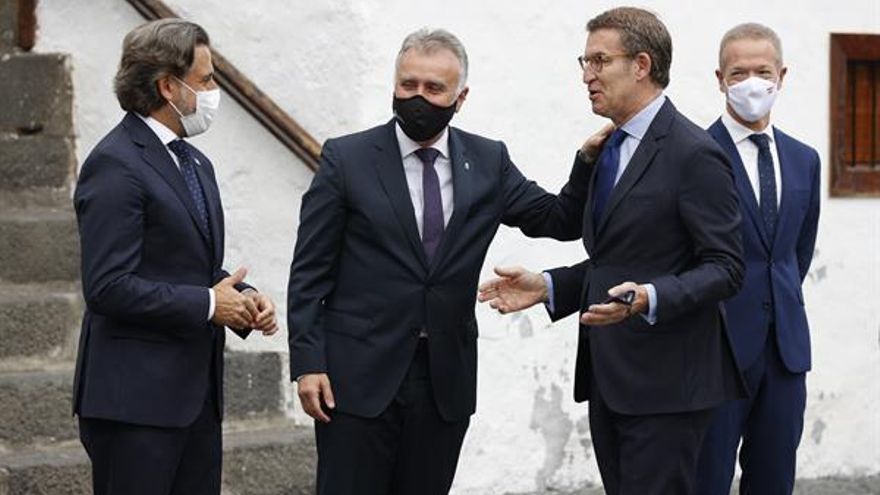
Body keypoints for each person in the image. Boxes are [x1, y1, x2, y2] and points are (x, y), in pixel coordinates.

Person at [287, 27, 611, 495]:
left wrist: (586, 161)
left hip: (443, 381)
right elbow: (309, 272)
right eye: (408, 85)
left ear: (461, 98)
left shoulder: (488, 160)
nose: (418, 97)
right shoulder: (347, 158)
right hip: (356, 378)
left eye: (434, 88)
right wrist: (307, 362)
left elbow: (558, 219)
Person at [477, 7, 746, 494]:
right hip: (610, 378)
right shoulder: (609, 149)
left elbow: (726, 267)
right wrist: (550, 286)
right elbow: (619, 258)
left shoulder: (694, 153)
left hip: (668, 387)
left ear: (641, 65)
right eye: (584, 61)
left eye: (599, 61)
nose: (587, 75)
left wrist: (649, 297)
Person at [72, 19, 278, 495]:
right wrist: (210, 305)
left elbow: (190, 268)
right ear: (168, 86)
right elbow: (108, 286)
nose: (213, 91)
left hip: (195, 398)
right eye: (205, 80)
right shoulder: (115, 163)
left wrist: (244, 299)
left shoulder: (193, 161)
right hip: (135, 404)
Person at [695, 23, 821, 495]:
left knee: (774, 480)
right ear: (720, 79)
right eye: (738, 72)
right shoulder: (694, 154)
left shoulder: (805, 159)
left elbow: (795, 253)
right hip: (716, 350)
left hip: (785, 352)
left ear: (781, 76)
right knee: (706, 480)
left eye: (763, 72)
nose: (752, 82)